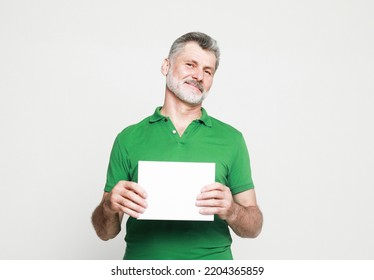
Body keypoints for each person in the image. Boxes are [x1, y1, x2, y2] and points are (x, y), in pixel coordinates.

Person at [91, 32, 263, 260]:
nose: (199, 76)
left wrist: (231, 210)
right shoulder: (128, 138)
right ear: (166, 66)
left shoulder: (231, 139)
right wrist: (109, 206)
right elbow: (106, 233)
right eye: (190, 64)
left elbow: (254, 227)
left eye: (207, 71)